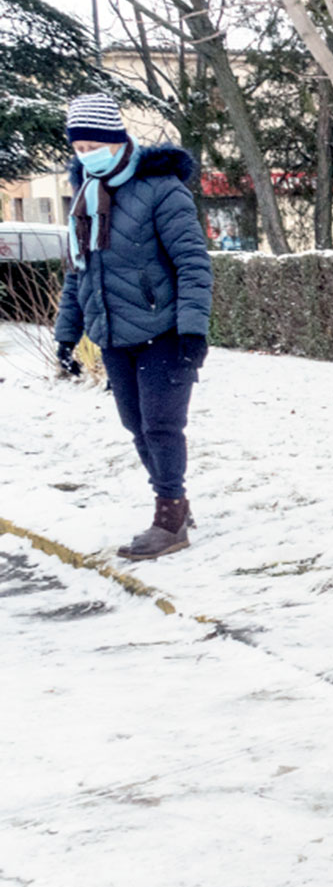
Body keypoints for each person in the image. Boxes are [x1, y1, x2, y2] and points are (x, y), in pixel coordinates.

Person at [52, 93, 212, 561]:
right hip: (114, 334)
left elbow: (192, 263)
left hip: (163, 332)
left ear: (116, 140)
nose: (85, 156)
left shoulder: (162, 189)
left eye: (92, 145)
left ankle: (170, 518)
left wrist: (192, 330)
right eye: (78, 149)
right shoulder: (86, 197)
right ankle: (176, 501)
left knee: (162, 425)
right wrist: (67, 333)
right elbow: (79, 272)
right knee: (135, 424)